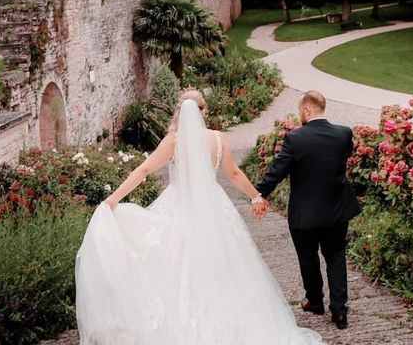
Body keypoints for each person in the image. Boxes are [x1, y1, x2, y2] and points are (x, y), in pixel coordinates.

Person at [75, 88, 323, 344]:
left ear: (179, 113)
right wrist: (256, 197)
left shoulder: (174, 140)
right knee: (225, 266)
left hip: (178, 206)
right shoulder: (217, 139)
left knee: (172, 264)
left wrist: (114, 198)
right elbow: (234, 173)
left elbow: (146, 169)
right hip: (215, 209)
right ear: (203, 111)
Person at [256, 91, 361, 330]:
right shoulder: (344, 134)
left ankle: (314, 300)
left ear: (306, 110)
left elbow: (277, 171)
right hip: (336, 210)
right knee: (336, 256)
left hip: (305, 214)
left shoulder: (295, 139)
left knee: (308, 257)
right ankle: (339, 312)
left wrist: (258, 195)